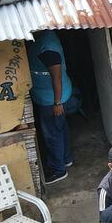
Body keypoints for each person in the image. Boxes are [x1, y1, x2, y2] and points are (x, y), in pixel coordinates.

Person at [27, 30, 78, 184]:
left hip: (52, 100)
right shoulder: (48, 35)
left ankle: (58, 169)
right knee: (60, 127)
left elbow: (56, 78)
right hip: (53, 96)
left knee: (52, 134)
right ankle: (66, 158)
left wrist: (57, 103)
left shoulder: (48, 49)